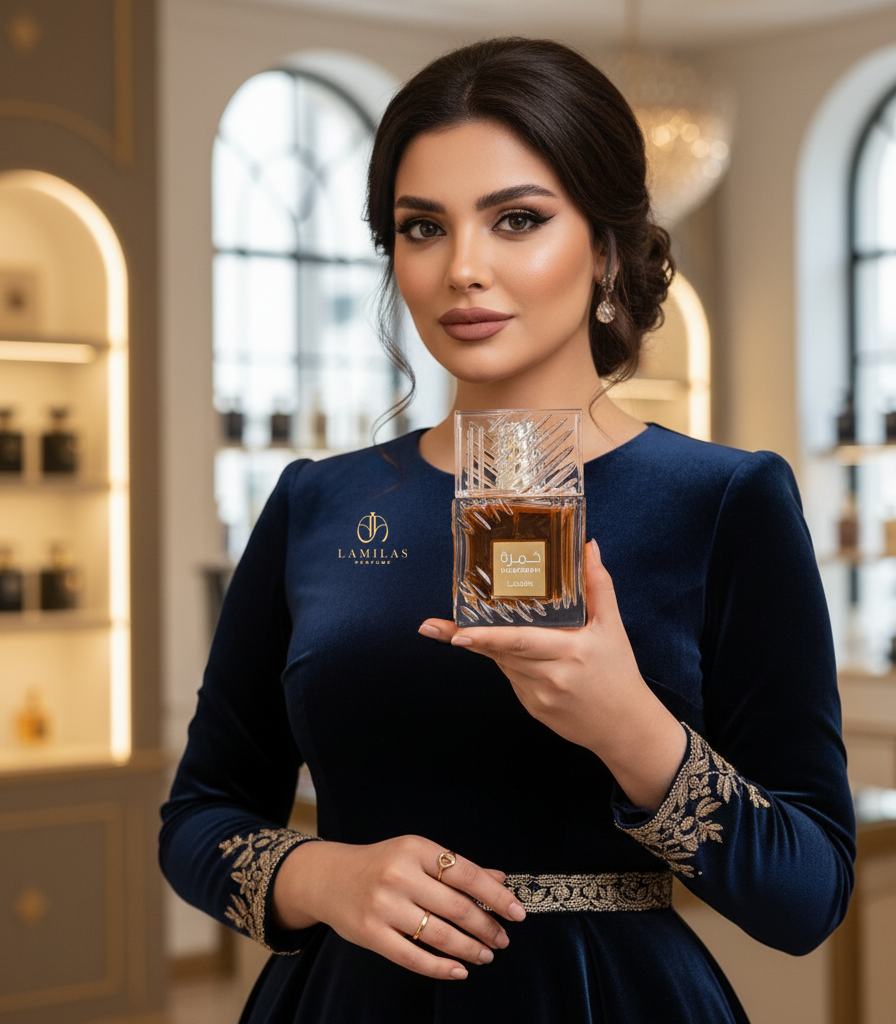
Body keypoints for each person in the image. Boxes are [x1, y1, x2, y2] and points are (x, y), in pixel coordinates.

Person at [160, 37, 855, 1023]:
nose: (463, 269)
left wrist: (632, 729)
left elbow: (808, 896)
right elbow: (199, 818)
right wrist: (320, 877)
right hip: (349, 999)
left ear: (605, 247)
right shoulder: (317, 501)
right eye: (422, 227)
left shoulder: (724, 500)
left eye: (517, 219)